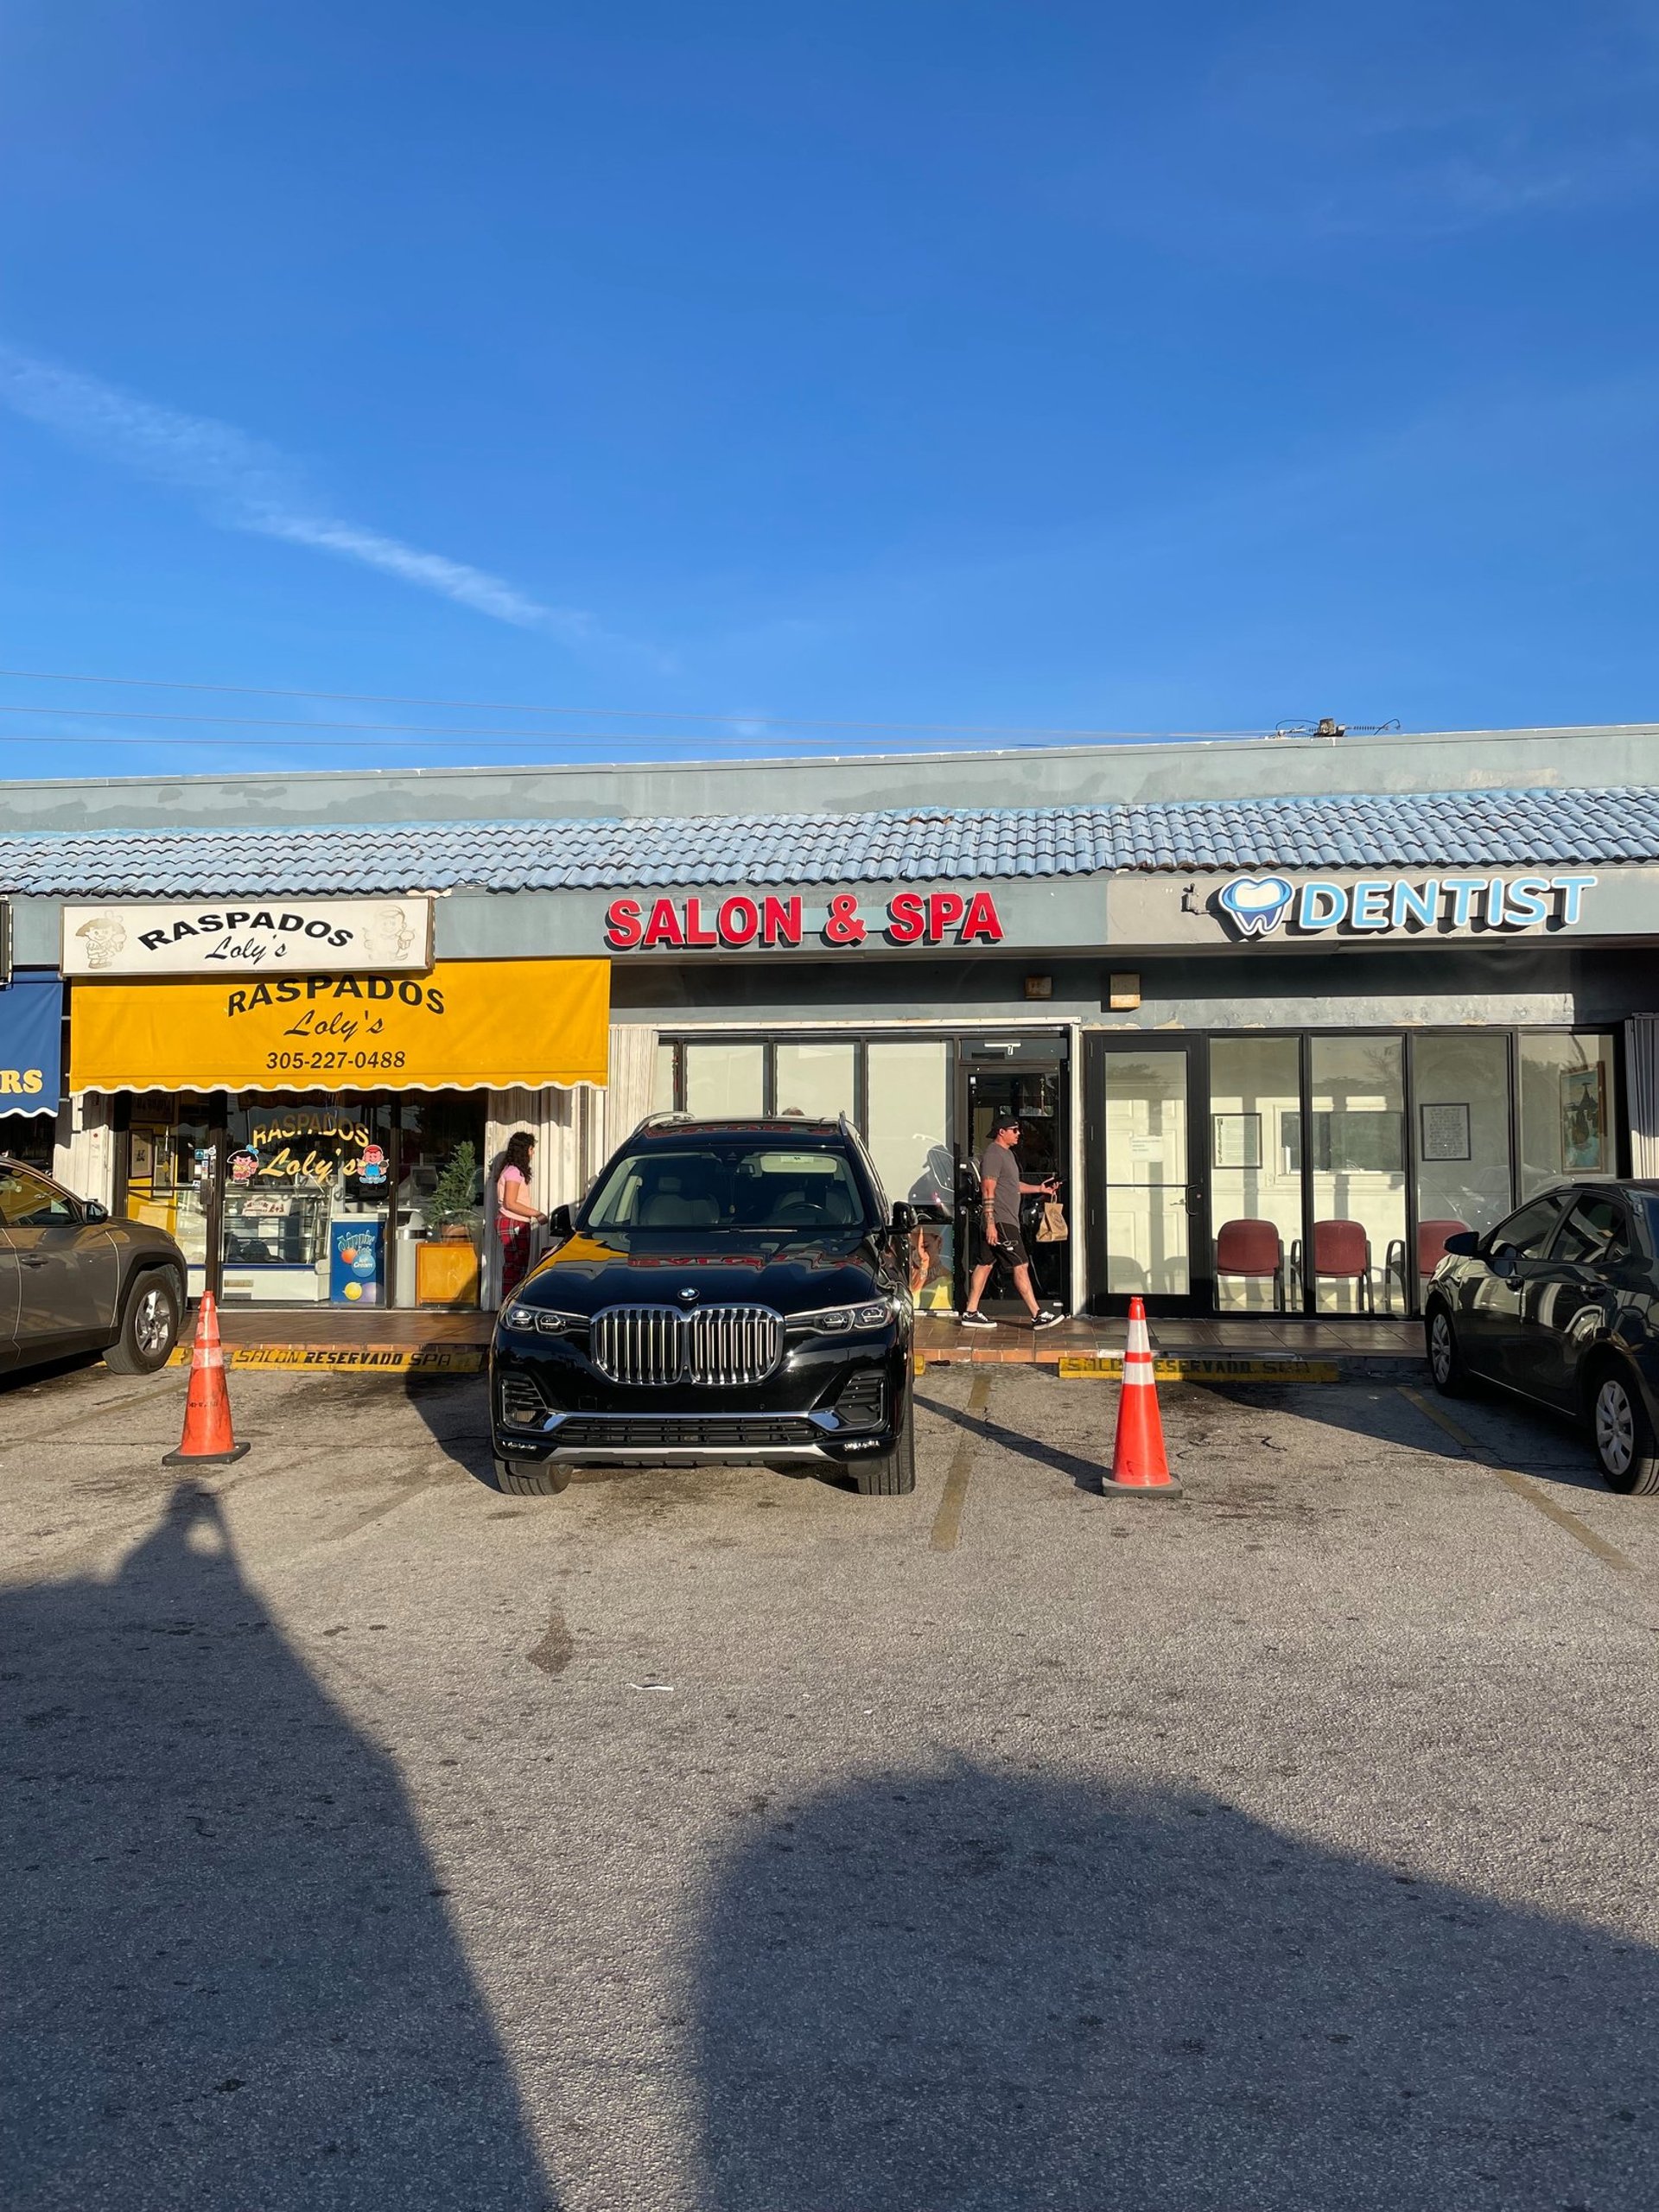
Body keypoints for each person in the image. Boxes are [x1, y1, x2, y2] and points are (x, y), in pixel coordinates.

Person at [960, 1115, 1064, 1330]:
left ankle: (970, 1312)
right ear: (1002, 1132)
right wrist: (990, 1223)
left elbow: (1012, 1185)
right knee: (1021, 1264)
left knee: (986, 1264)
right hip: (1001, 1221)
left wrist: (1039, 1189)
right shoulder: (994, 1154)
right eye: (1014, 1130)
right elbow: (987, 1188)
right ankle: (1037, 1314)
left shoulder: (1007, 1155)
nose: (1018, 1134)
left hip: (1002, 1220)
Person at [495, 1129, 546, 1298]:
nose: (532, 1153)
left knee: (517, 1266)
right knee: (515, 1267)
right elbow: (510, 1202)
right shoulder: (514, 1172)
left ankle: (511, 1302)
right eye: (531, 1149)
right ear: (524, 1150)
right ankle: (510, 1304)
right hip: (513, 1222)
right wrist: (536, 1214)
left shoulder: (511, 1170)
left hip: (513, 1222)